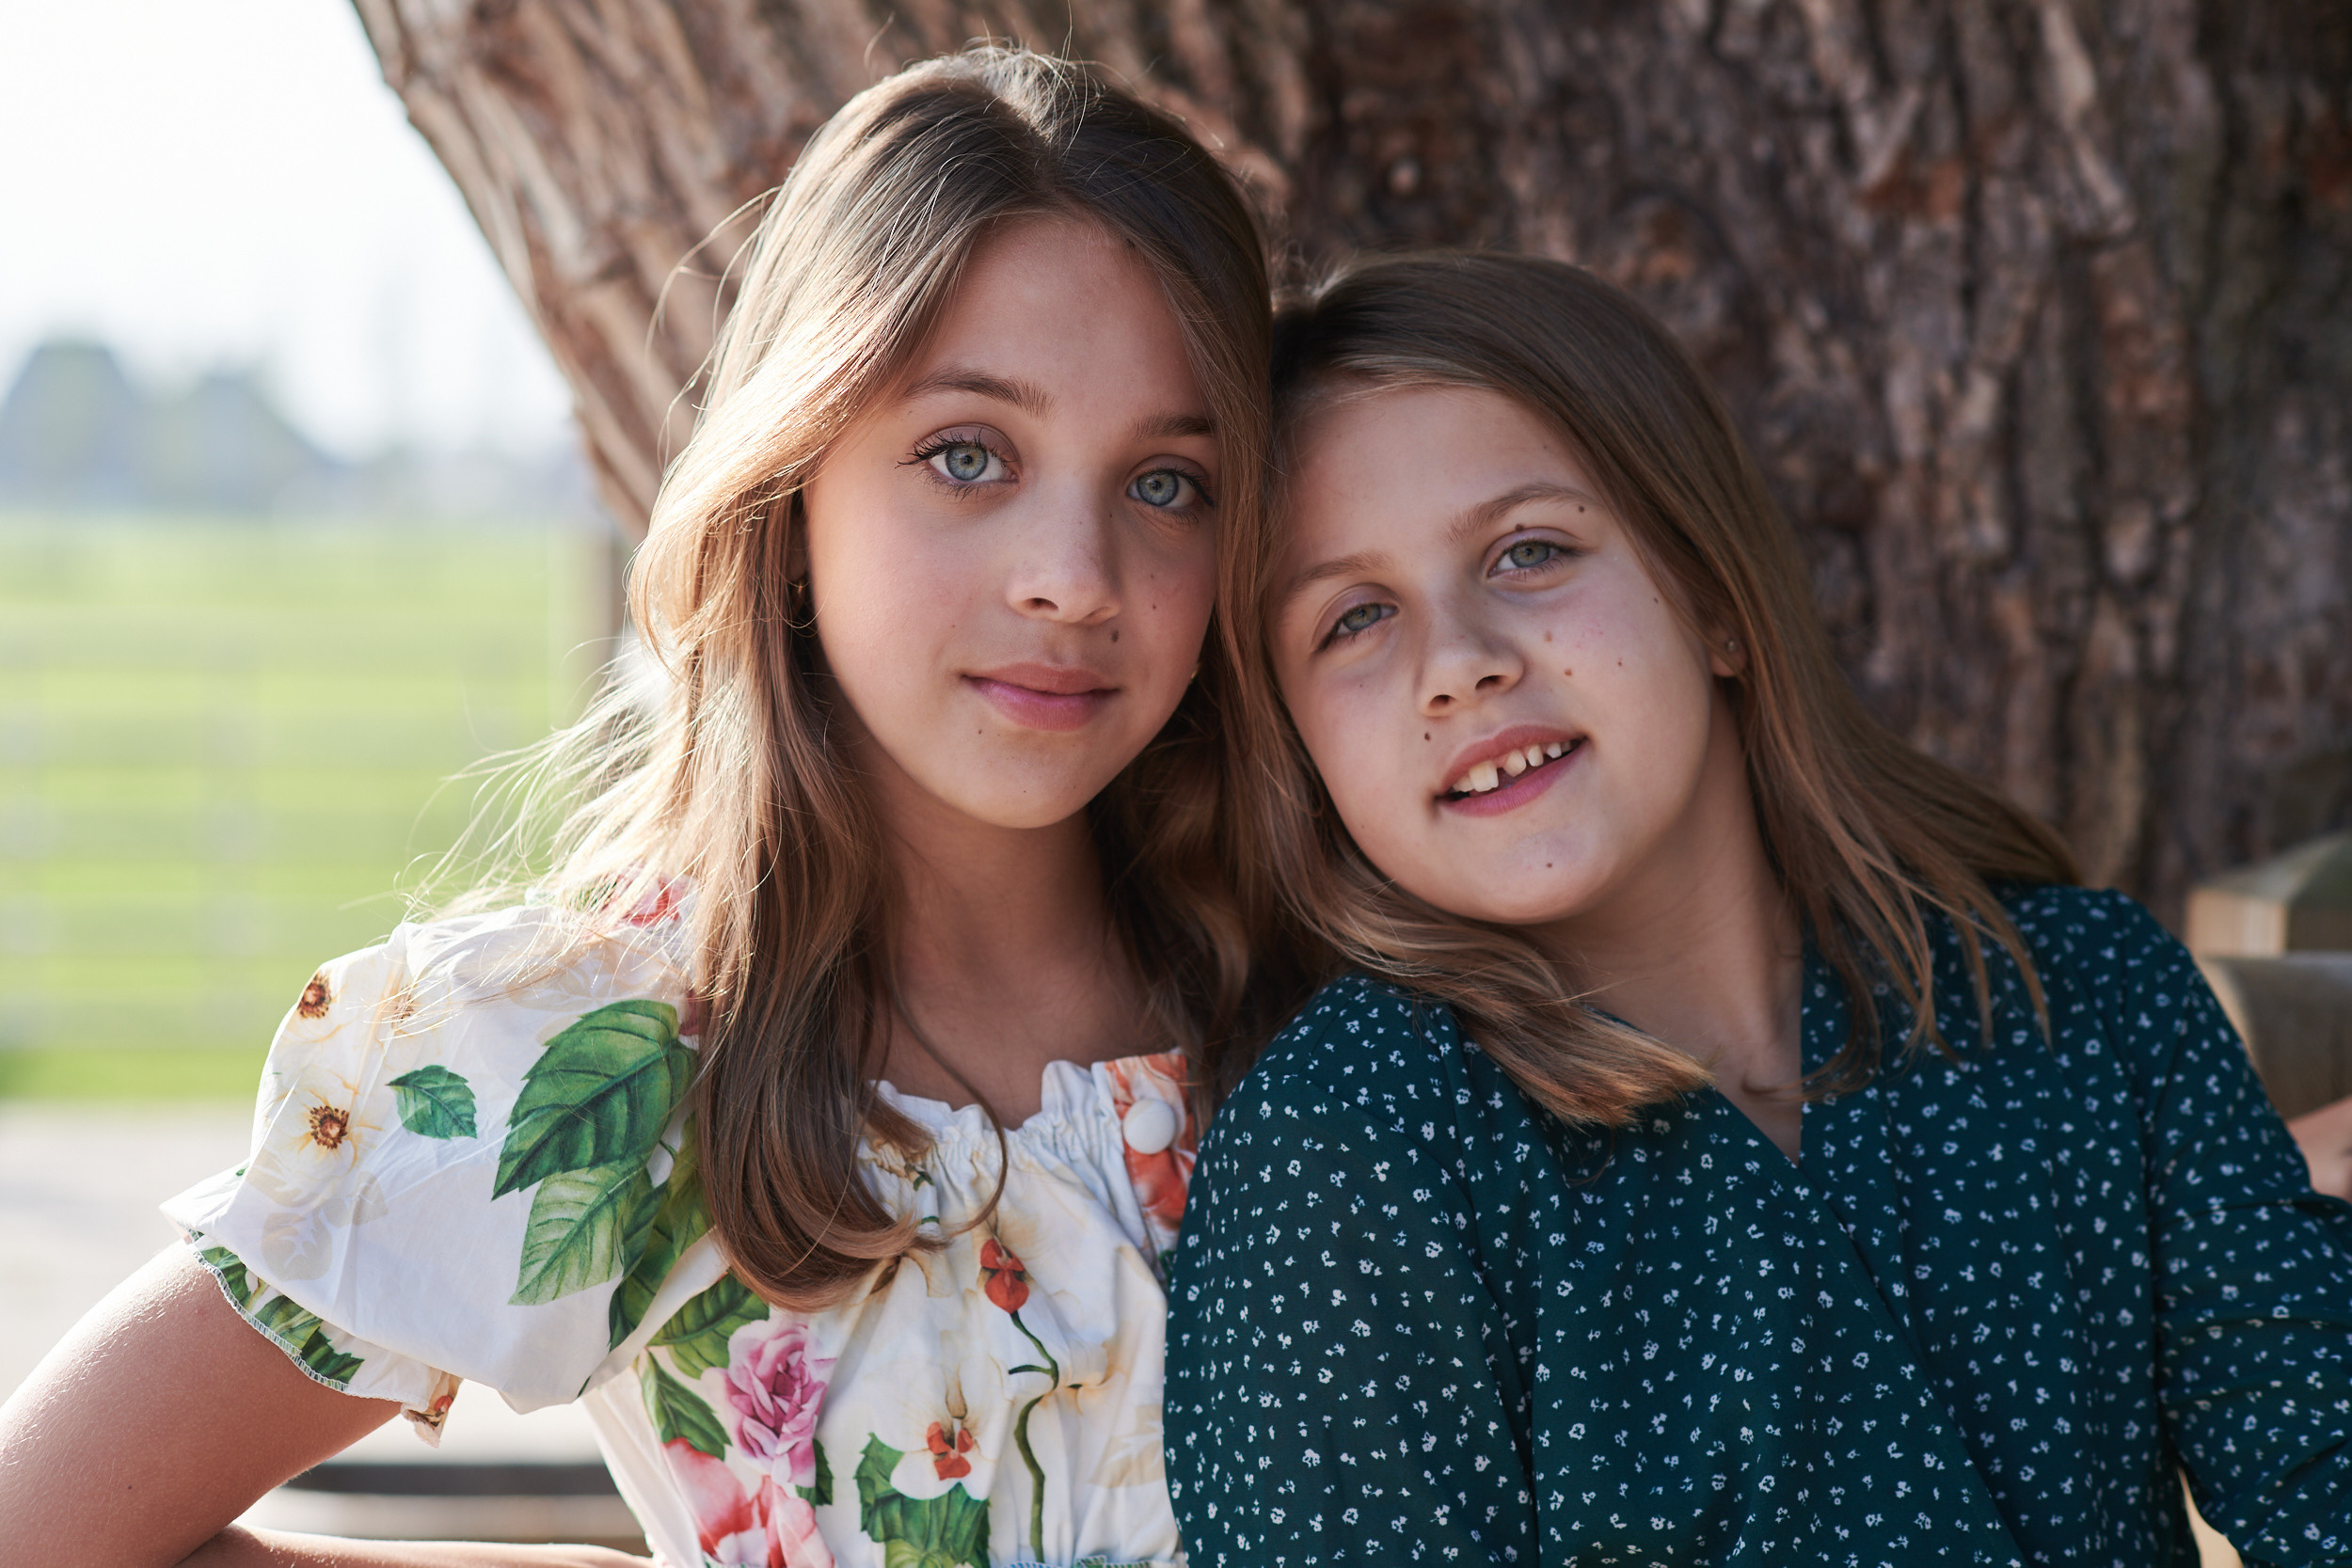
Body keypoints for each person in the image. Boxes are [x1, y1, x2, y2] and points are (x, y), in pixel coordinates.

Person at [0, 47, 1308, 1568]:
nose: (1073, 577)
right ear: (793, 486)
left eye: (1167, 483)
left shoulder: (1316, 1001)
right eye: (969, 455)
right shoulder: (601, 1053)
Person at [1165, 252, 2352, 1565]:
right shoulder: (1350, 1154)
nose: (1460, 662)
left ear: (1715, 597)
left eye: (1531, 550)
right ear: (1301, 751)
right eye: (1353, 619)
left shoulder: (2078, 994)